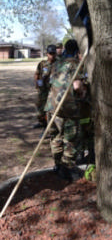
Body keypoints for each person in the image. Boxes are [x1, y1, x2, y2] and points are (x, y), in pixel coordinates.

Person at [45, 39, 84, 181]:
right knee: (71, 139)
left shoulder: (56, 63)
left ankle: (57, 165)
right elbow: (77, 86)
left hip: (51, 106)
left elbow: (51, 82)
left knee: (56, 137)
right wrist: (82, 93)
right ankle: (67, 169)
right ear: (77, 51)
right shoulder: (75, 64)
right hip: (67, 107)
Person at [33, 44, 57, 129]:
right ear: (47, 54)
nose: (52, 55)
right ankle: (42, 122)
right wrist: (37, 83)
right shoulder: (42, 64)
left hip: (54, 90)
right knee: (40, 107)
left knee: (52, 109)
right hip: (43, 90)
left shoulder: (59, 64)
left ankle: (52, 127)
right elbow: (37, 74)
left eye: (53, 53)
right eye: (50, 53)